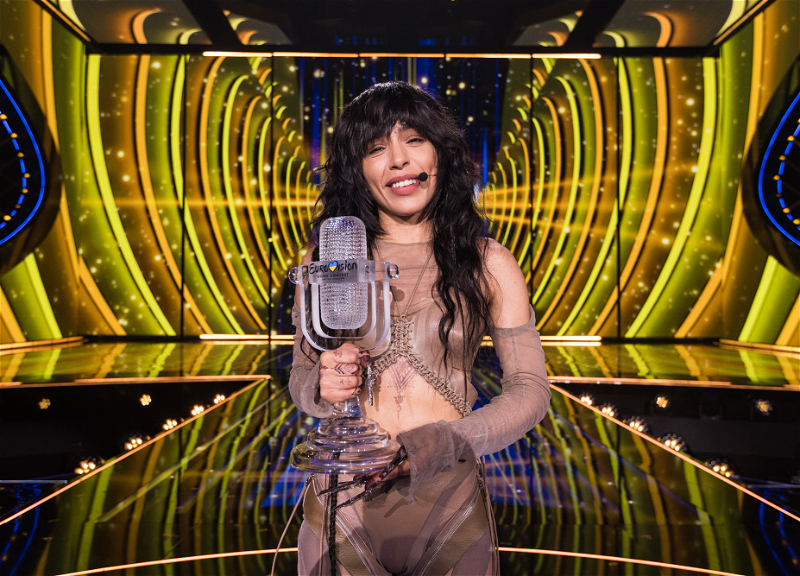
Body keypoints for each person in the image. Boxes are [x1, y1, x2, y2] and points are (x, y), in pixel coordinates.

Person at [289, 81, 550, 576]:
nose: (398, 160)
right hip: (343, 503)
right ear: (357, 169)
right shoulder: (330, 260)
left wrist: (445, 442)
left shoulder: (489, 262)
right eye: (375, 149)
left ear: (440, 153)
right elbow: (303, 379)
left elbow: (530, 390)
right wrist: (322, 385)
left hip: (451, 504)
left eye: (414, 140)